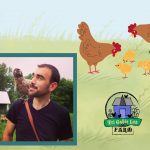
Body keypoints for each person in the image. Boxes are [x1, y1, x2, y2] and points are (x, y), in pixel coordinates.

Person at [2, 64, 73, 141]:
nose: (32, 81)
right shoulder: (17, 106)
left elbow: (65, 142)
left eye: (40, 78)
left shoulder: (62, 113)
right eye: (33, 76)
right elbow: (7, 134)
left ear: (52, 86)